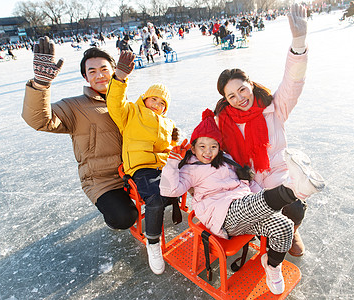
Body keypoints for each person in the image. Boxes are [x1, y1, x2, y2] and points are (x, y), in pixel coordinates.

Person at [160, 109, 312, 295]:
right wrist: (173, 162)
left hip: (246, 210)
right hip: (222, 216)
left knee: (285, 226)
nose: (208, 152)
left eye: (213, 146)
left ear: (219, 147)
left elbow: (250, 185)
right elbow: (169, 190)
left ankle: (272, 265)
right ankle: (293, 189)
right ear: (193, 148)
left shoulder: (228, 161)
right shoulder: (190, 168)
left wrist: (264, 204)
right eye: (202, 147)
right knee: (246, 206)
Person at [214, 4, 325, 258]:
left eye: (242, 89)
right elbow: (204, 146)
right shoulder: (222, 121)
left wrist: (298, 44)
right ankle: (270, 231)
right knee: (260, 213)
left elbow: (293, 82)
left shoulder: (274, 108)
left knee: (295, 210)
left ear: (250, 84)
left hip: (276, 176)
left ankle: (291, 228)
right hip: (245, 183)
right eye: (231, 96)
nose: (239, 98)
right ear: (225, 99)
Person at [22, 37, 138, 234]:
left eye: (104, 69)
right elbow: (39, 120)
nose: (99, 75)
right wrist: (41, 85)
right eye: (92, 72)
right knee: (124, 218)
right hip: (102, 180)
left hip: (133, 170)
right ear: (86, 77)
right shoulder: (74, 107)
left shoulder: (126, 103)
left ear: (114, 71)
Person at [106, 51, 181, 275]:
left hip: (163, 165)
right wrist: (119, 78)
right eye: (153, 99)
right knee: (156, 197)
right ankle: (153, 244)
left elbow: (172, 145)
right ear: (144, 98)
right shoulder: (131, 112)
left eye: (162, 103)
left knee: (200, 176)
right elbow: (114, 103)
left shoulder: (167, 123)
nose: (156, 104)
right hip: (141, 168)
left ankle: (211, 218)